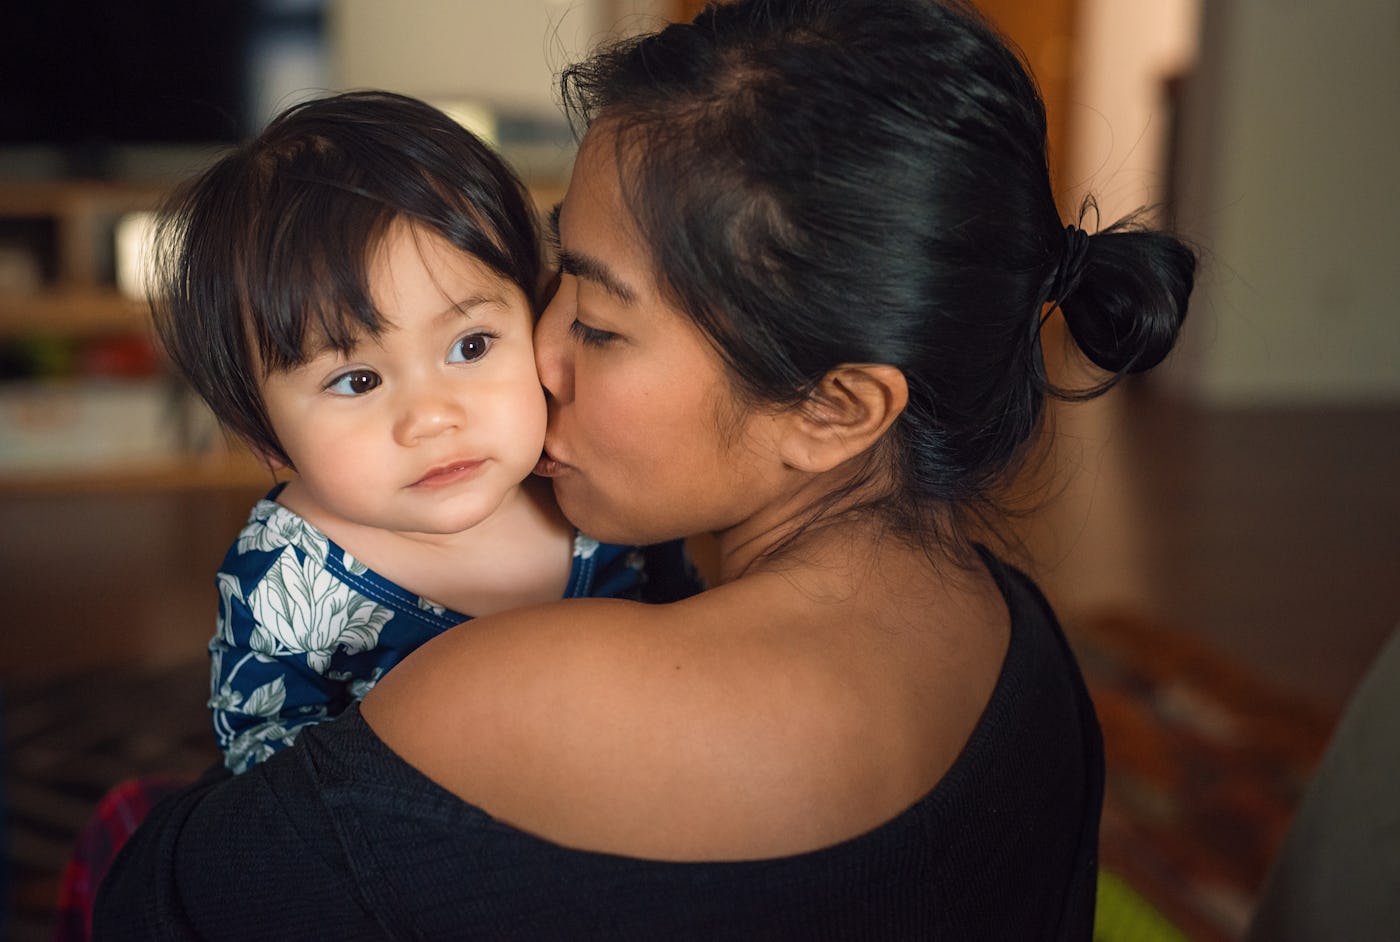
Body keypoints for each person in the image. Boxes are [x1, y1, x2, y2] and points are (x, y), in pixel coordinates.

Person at [94, 1, 1195, 938]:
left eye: (602, 320)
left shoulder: (512, 694)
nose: (541, 352)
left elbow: (158, 901)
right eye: (552, 272)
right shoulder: (1018, 633)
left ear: (833, 406)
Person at [148, 90, 691, 773]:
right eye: (358, 381)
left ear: (539, 311)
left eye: (470, 346)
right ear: (262, 435)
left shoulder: (596, 482)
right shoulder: (286, 581)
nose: (433, 417)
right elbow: (272, 786)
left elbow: (694, 634)